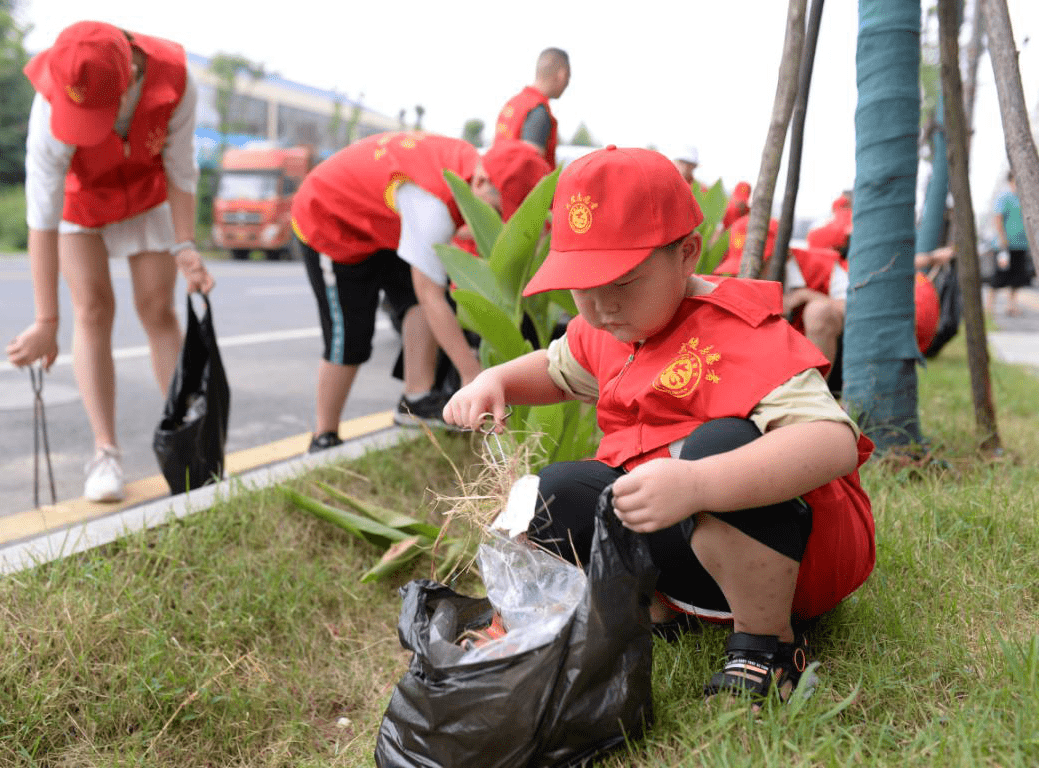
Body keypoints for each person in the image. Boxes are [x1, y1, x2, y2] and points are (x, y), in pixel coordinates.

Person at [443, 146, 874, 704]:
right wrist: (495, 380)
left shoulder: (746, 334)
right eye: (583, 286)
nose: (599, 308)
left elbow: (832, 443)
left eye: (621, 283)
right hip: (685, 539)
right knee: (555, 493)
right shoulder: (610, 326)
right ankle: (655, 609)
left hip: (794, 555)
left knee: (718, 446)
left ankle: (766, 647)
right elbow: (557, 368)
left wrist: (698, 483)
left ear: (687, 254)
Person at [6, 21, 214, 503]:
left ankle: (185, 438)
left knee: (157, 309)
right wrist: (45, 321)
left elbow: (181, 168)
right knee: (93, 309)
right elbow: (41, 214)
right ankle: (105, 452)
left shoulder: (176, 81)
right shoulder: (49, 103)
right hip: (82, 200)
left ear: (129, 83)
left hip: (147, 194)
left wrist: (185, 246)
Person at [290, 133, 550, 452]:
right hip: (330, 220)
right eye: (498, 213)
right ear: (481, 182)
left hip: (385, 224)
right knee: (350, 337)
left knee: (413, 301)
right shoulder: (432, 206)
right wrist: (473, 374)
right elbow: (433, 297)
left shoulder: (466, 166)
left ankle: (416, 400)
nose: (496, 222)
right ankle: (324, 435)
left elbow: (425, 291)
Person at [716, 215, 848, 369]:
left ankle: (814, 392)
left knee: (818, 312)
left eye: (760, 264)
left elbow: (857, 309)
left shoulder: (823, 265)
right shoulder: (735, 283)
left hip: (834, 364)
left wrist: (804, 295)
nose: (750, 273)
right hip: (771, 366)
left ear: (786, 254)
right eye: (740, 267)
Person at [493, 48, 571, 168]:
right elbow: (531, 167)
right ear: (562, 74)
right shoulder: (538, 111)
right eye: (568, 77)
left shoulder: (514, 104)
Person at [990, 171, 1033, 316]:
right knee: (999, 276)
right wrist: (1002, 239)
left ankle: (1011, 306)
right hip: (1004, 246)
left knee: (1017, 277)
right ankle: (989, 307)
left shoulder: (1024, 198)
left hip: (1021, 244)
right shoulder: (1005, 197)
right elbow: (997, 218)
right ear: (1010, 180)